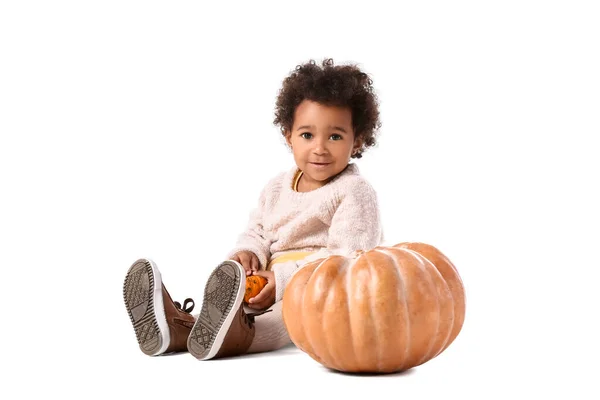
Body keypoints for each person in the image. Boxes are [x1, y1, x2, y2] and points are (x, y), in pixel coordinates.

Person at [123, 58, 384, 360]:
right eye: (307, 135)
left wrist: (284, 280)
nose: (320, 148)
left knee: (291, 313)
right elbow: (257, 230)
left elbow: (348, 259)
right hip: (265, 284)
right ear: (289, 136)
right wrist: (248, 253)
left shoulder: (354, 191)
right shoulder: (276, 188)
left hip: (320, 290)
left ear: (358, 139)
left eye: (335, 136)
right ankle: (181, 329)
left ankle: (238, 334)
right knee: (232, 304)